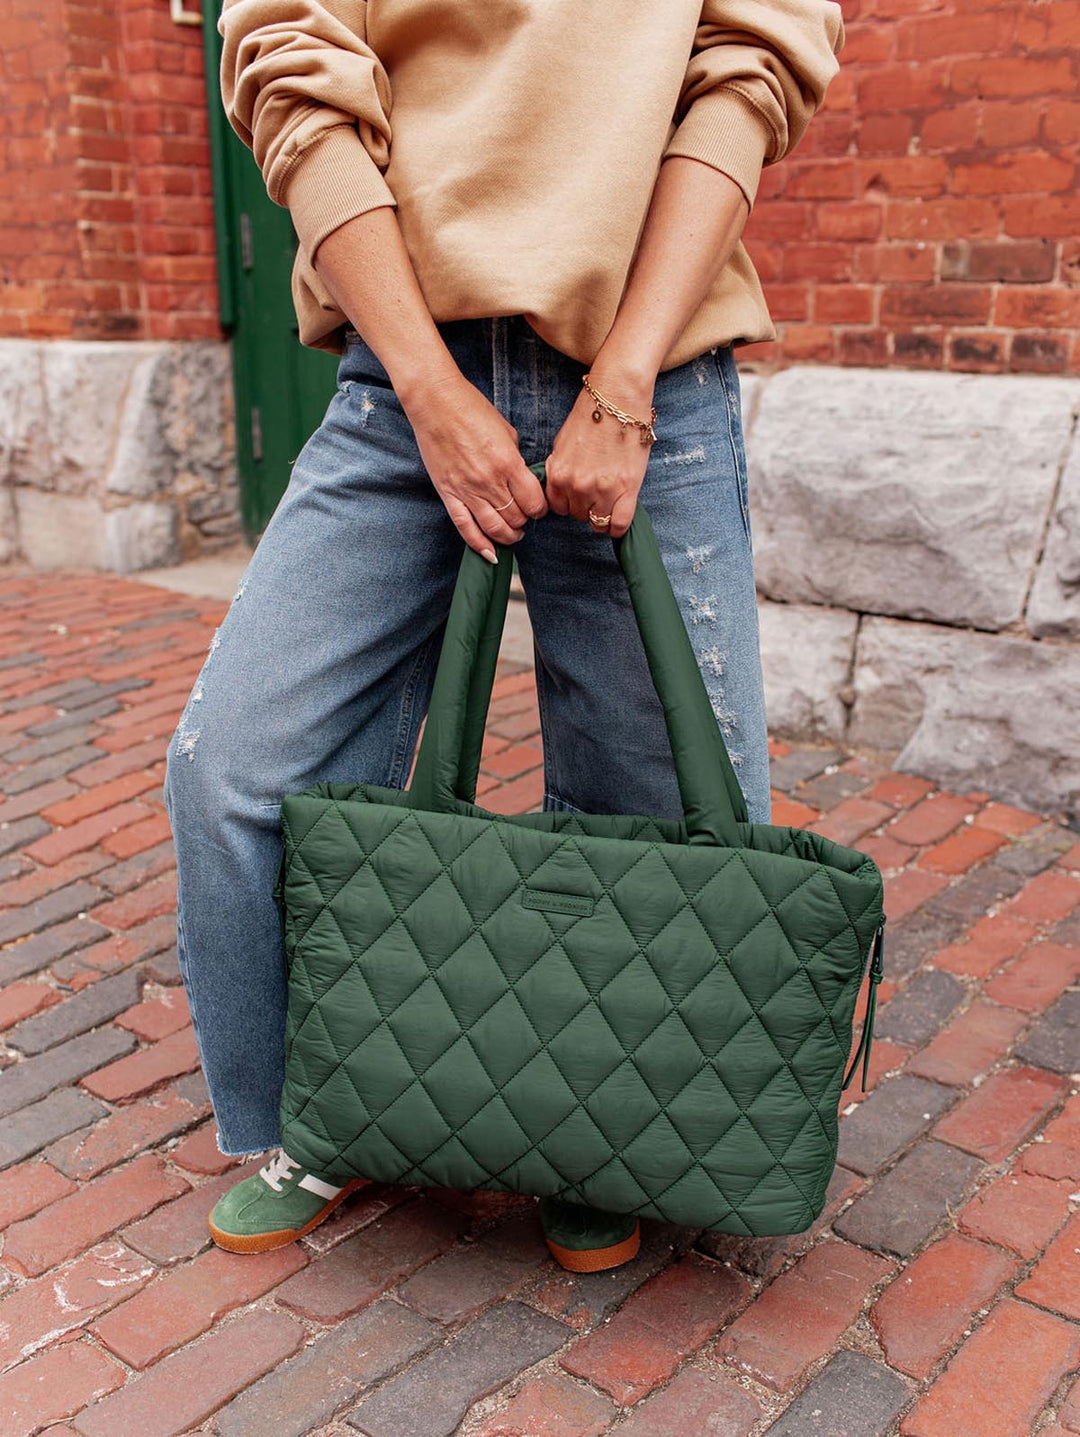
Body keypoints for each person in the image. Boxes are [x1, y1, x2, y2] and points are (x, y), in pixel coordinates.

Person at [163, 0, 844, 1272]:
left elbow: (748, 72)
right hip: (400, 368)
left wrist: (625, 380)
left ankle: (598, 1135)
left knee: (659, 807)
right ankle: (327, 1107)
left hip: (650, 367)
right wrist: (427, 387)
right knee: (238, 765)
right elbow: (290, 77)